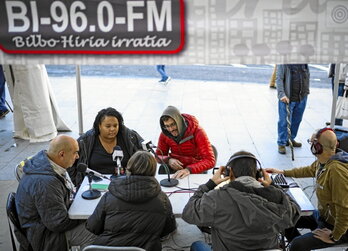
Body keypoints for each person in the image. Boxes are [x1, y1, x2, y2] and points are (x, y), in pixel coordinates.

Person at [182, 150, 301, 251]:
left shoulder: (216, 198)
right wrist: (274, 186)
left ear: (230, 173)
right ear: (258, 173)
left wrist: (210, 184)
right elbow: (296, 211)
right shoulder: (277, 198)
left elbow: (188, 212)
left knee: (197, 245)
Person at [266, 128, 348, 251]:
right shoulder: (327, 159)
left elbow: (344, 209)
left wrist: (334, 236)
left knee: (298, 245)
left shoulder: (336, 170)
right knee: (286, 218)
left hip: (341, 228)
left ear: (317, 147)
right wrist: (283, 172)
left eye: (311, 143)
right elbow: (309, 170)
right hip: (324, 217)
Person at [15, 135, 96, 251]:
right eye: (75, 153)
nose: (78, 156)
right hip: (46, 237)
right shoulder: (46, 183)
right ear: (62, 154)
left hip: (43, 228)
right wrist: (88, 216)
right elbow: (58, 223)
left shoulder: (50, 165)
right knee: (97, 230)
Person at [86, 151, 176, 251]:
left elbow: (93, 227)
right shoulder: (162, 199)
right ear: (153, 170)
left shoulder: (110, 195)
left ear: (129, 168)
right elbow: (169, 229)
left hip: (107, 247)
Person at [68, 107, 144, 186]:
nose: (112, 129)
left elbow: (145, 157)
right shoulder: (85, 141)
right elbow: (68, 162)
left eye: (115, 126)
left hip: (125, 184)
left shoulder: (130, 137)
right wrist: (77, 183)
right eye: (108, 126)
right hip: (95, 185)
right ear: (99, 126)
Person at [156, 106, 215, 179]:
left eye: (173, 124)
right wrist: (168, 160)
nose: (171, 129)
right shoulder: (165, 133)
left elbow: (210, 160)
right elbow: (158, 155)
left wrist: (189, 169)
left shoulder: (198, 132)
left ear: (179, 121)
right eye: (167, 126)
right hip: (175, 168)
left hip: (195, 169)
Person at [276, 64, 310, 154]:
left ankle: (290, 139)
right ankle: (281, 143)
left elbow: (307, 75)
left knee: (297, 120)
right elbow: (279, 79)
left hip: (301, 97)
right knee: (284, 121)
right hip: (287, 98)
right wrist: (281, 94)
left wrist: (307, 91)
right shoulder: (284, 61)